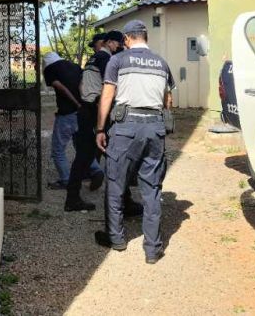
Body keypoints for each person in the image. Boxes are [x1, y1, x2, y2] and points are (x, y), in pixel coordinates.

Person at [95, 19, 175, 264]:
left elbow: (107, 95)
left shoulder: (118, 60)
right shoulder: (162, 62)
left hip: (126, 128)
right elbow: (168, 101)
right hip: (155, 128)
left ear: (128, 39)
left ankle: (117, 239)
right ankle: (152, 249)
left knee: (116, 183)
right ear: (145, 37)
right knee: (151, 190)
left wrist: (100, 128)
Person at [64, 30, 125, 211]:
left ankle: (72, 198)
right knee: (115, 154)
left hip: (86, 109)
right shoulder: (106, 59)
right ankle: (124, 201)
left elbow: (82, 84)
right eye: (118, 43)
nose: (119, 47)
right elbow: (110, 87)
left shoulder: (93, 59)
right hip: (96, 111)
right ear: (110, 42)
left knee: (84, 156)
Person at [43, 52, 104, 190]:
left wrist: (76, 103)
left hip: (67, 113)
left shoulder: (50, 69)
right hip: (82, 112)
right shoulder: (75, 66)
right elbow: (84, 83)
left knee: (58, 149)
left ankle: (65, 180)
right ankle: (96, 171)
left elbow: (60, 87)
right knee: (82, 146)